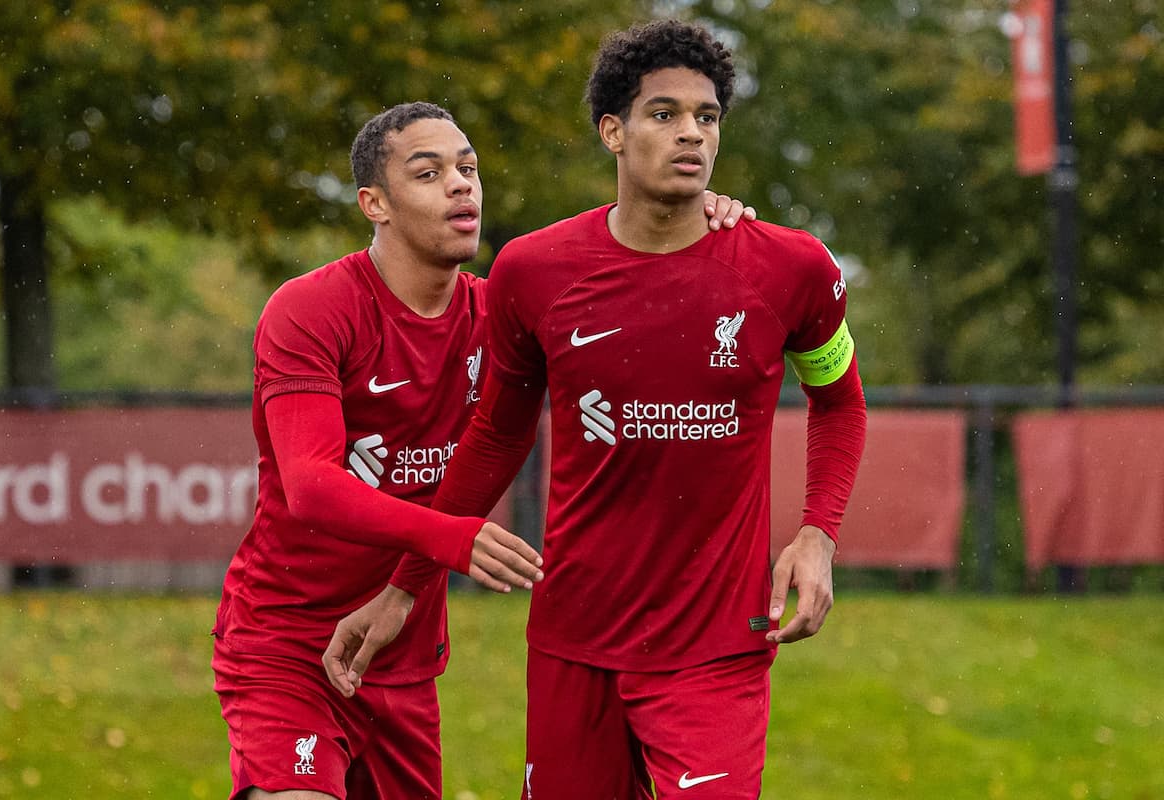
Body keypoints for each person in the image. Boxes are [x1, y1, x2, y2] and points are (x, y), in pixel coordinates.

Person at [325, 20, 867, 800]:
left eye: (706, 117)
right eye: (664, 114)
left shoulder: (792, 268)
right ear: (612, 131)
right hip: (575, 640)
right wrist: (408, 585)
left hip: (716, 646)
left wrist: (818, 534)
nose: (691, 133)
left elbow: (840, 405)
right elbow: (497, 435)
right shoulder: (534, 272)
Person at [214, 100, 755, 800]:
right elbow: (311, 487)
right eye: (430, 172)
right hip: (288, 649)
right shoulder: (311, 309)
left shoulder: (498, 313)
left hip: (405, 661)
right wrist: (454, 539)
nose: (462, 184)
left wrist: (691, 217)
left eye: (468, 168)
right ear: (373, 203)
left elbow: (635, 318)